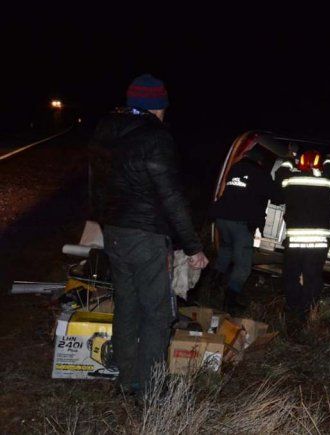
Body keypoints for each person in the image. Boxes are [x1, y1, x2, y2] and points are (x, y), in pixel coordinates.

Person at [89, 74, 208, 395]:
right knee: (157, 313)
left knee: (127, 306)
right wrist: (194, 246)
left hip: (114, 232)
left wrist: (105, 222)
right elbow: (171, 196)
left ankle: (127, 379)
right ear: (157, 107)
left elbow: (94, 184)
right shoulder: (155, 137)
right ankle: (151, 389)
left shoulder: (106, 130)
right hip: (147, 236)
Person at [208, 145, 281, 312]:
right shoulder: (260, 174)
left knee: (225, 252)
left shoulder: (235, 168)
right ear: (260, 161)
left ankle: (212, 287)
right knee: (243, 265)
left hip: (222, 218)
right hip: (240, 223)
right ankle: (230, 300)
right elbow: (277, 196)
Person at [274, 149, 330, 332]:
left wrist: (288, 159)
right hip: (318, 244)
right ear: (320, 165)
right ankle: (306, 312)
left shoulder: (291, 182)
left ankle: (292, 307)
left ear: (300, 164)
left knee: (291, 276)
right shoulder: (328, 183)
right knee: (312, 278)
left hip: (294, 243)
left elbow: (279, 174)